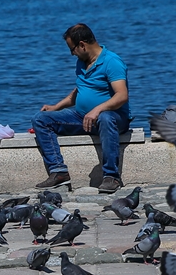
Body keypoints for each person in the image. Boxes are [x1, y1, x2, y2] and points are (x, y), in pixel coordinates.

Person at [32, 23, 131, 193]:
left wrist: (97, 110)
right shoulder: (81, 62)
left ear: (82, 45)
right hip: (82, 118)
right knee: (40, 119)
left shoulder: (112, 62)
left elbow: (121, 96)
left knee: (105, 117)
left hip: (114, 118)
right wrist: (56, 107)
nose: (71, 53)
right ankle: (59, 172)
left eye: (72, 49)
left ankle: (111, 177)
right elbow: (80, 90)